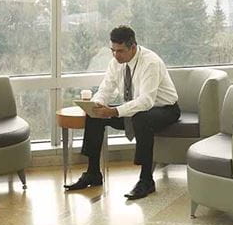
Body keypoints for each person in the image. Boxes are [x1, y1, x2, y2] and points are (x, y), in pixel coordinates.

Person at [65, 25, 180, 199]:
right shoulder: (116, 62)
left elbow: (146, 101)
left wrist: (114, 111)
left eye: (120, 51)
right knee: (94, 116)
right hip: (136, 109)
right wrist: (97, 105)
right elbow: (106, 88)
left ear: (133, 47)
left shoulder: (150, 62)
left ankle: (146, 181)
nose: (116, 55)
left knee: (141, 119)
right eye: (113, 50)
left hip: (164, 110)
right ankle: (93, 173)